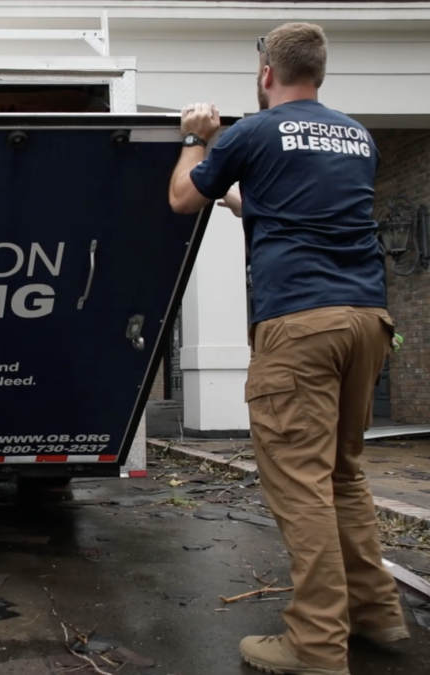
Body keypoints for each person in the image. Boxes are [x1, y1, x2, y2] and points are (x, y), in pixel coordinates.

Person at [168, 22, 409, 675]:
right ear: (319, 74)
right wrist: (236, 187)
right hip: (366, 318)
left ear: (266, 73)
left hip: (299, 324)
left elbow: (184, 196)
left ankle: (317, 643)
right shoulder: (356, 136)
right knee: (342, 473)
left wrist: (196, 137)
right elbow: (290, 202)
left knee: (299, 482)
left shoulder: (252, 131)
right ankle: (377, 612)